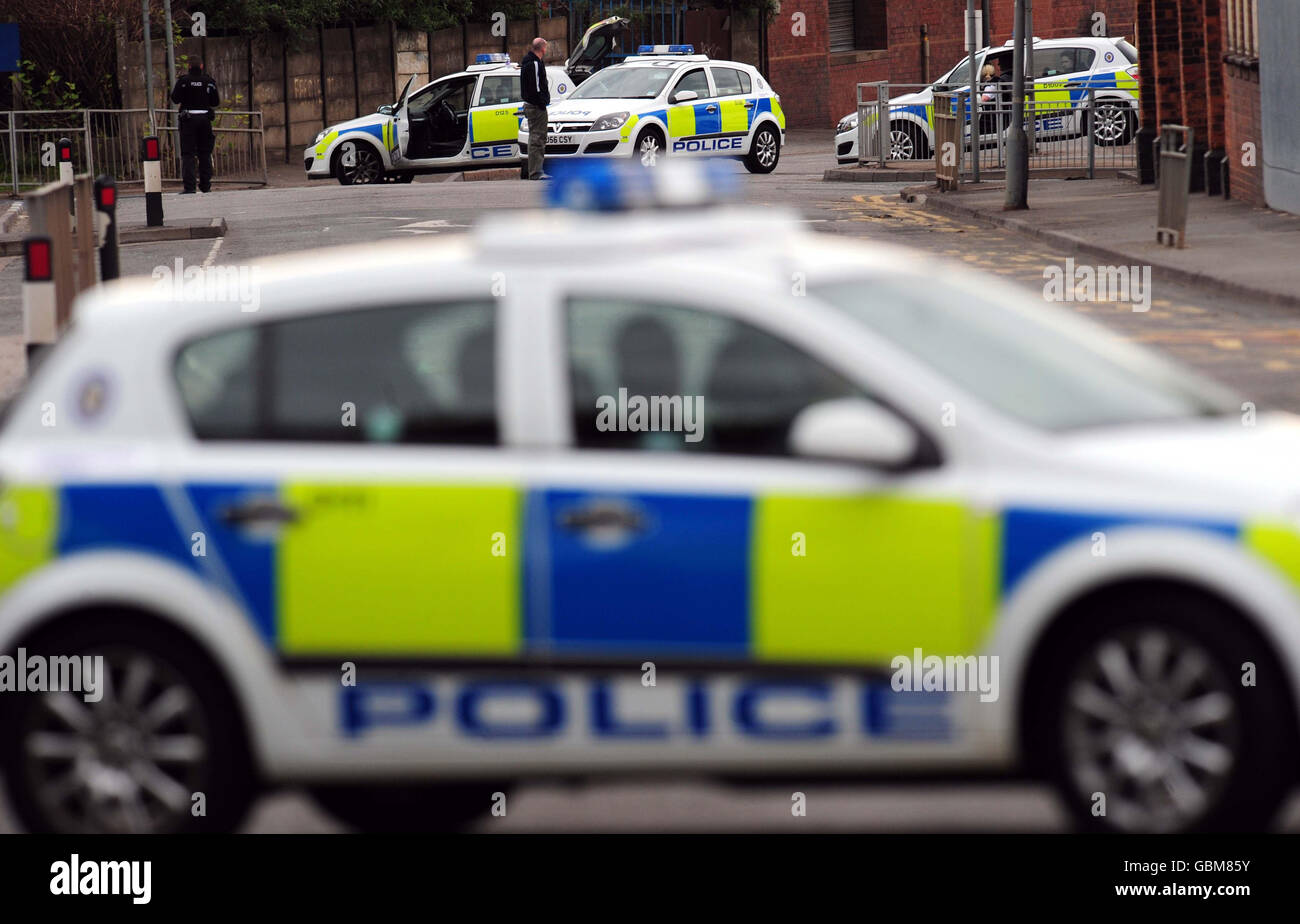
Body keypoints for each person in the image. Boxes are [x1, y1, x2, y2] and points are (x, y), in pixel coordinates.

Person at [170, 60, 220, 194]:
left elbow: (175, 98)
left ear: (189, 66)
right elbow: (215, 101)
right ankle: (205, 185)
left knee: (188, 154)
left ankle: (190, 187)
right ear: (202, 66)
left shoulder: (183, 81)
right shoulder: (208, 81)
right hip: (205, 120)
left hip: (188, 120)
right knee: (205, 153)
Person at [520, 37, 550, 181]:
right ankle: (536, 172)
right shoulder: (534, 63)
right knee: (538, 139)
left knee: (535, 138)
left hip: (530, 104)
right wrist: (542, 103)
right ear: (543, 48)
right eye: (546, 48)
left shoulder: (528, 61)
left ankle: (535, 171)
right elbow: (537, 87)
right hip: (536, 106)